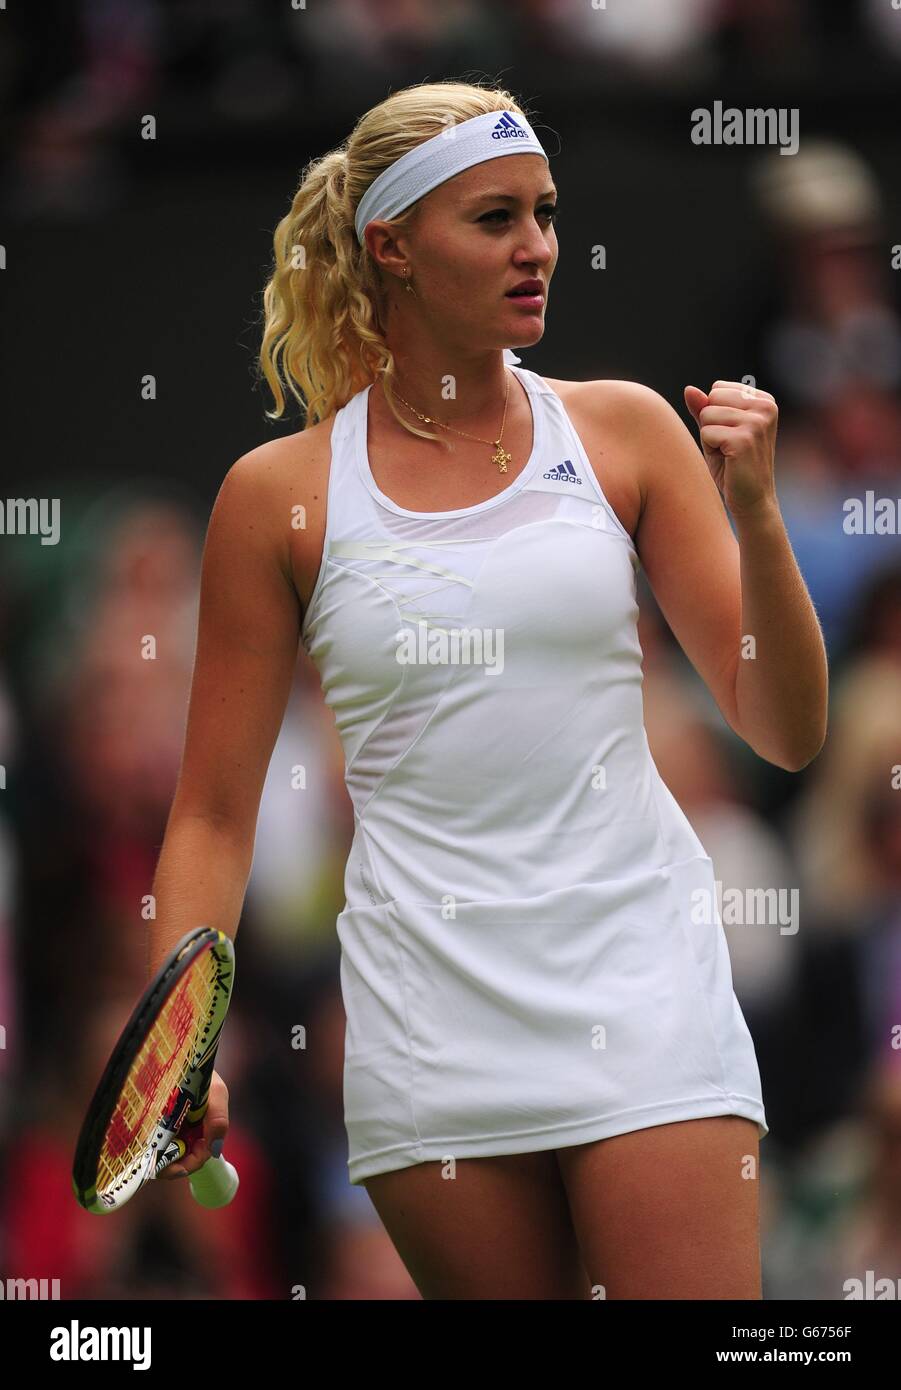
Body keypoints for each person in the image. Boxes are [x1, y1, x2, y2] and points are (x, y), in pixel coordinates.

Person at [148, 79, 828, 1299]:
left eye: (547, 212)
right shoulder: (275, 496)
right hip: (430, 1030)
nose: (538, 249)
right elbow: (211, 814)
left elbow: (785, 728)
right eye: (495, 218)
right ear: (391, 246)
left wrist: (760, 521)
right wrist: (172, 1047)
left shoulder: (622, 433)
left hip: (646, 987)